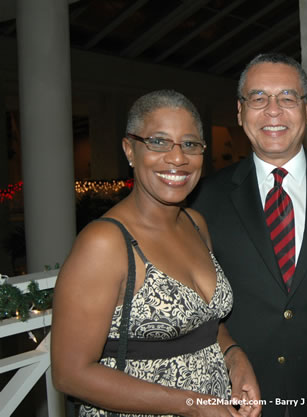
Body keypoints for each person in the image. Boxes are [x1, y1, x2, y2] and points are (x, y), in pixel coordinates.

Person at [51, 90, 261, 417]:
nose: (177, 158)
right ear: (129, 150)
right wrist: (191, 404)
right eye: (159, 142)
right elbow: (70, 374)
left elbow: (207, 322)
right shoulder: (105, 242)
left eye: (190, 144)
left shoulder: (195, 223)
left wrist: (234, 357)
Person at [191, 54, 307, 417]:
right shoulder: (204, 200)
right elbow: (201, 307)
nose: (273, 111)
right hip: (240, 398)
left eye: (287, 98)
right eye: (258, 98)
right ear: (240, 112)